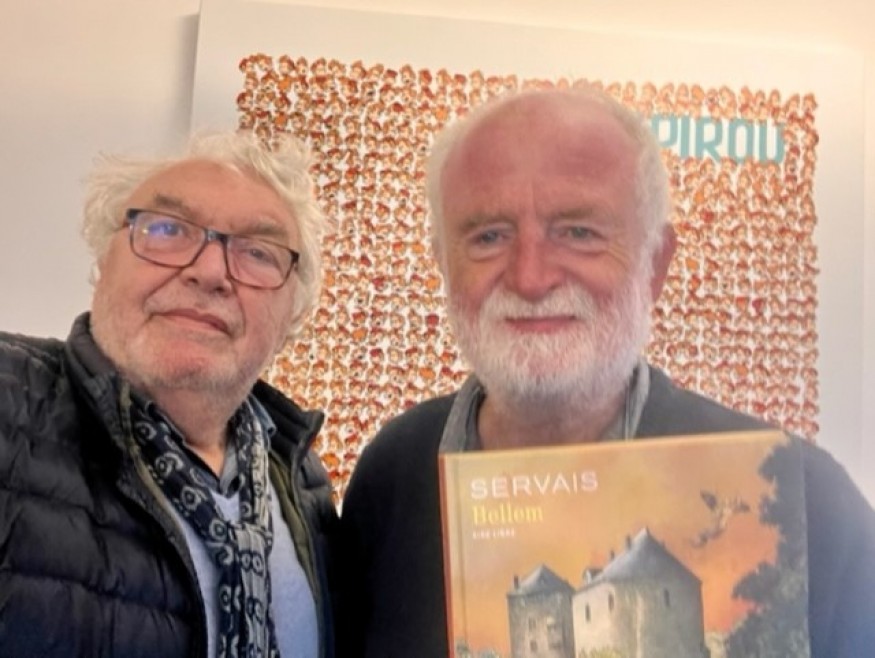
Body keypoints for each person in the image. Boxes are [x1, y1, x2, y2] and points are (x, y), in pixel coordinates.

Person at [336, 88, 875, 657]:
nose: (530, 277)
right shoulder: (392, 475)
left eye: (579, 232)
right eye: (488, 236)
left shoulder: (804, 500)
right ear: (444, 265)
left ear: (655, 263)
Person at [0, 130, 338, 657]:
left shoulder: (302, 480)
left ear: (293, 313)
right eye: (167, 229)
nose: (209, 271)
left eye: (258, 252)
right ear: (103, 261)